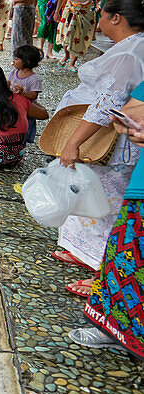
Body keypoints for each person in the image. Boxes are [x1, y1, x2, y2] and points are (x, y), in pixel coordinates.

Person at [53, 0, 144, 296]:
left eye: (101, 14)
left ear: (116, 18)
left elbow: (107, 103)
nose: (98, 20)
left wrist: (74, 141)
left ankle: (101, 271)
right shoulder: (132, 47)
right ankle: (84, 252)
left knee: (107, 200)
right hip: (121, 135)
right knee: (93, 192)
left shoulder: (131, 52)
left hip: (118, 141)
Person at [71, 81, 144, 352]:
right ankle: (118, 330)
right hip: (141, 189)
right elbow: (129, 112)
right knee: (126, 258)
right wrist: (129, 125)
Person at [54, 0, 101, 68]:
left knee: (79, 36)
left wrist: (98, 5)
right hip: (70, 10)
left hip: (85, 12)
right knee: (67, 35)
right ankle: (66, 56)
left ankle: (72, 63)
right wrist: (57, 12)